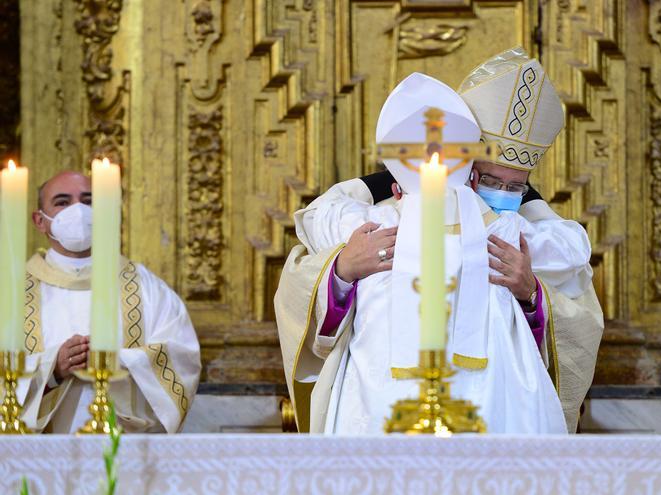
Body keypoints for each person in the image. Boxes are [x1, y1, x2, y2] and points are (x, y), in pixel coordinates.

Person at [276, 48, 604, 434]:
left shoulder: (521, 228)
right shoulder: (376, 211)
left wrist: (531, 293)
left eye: (515, 186)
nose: (500, 194)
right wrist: (343, 271)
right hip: (381, 404)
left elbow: (574, 287)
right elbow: (310, 252)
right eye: (489, 180)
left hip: (492, 405)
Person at [18, 170, 201, 433]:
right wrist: (53, 367)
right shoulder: (12, 294)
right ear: (39, 220)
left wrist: (116, 360)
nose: (78, 211)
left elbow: (182, 356)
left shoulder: (146, 288)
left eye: (88, 201)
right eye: (62, 202)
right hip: (39, 457)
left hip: (124, 450)